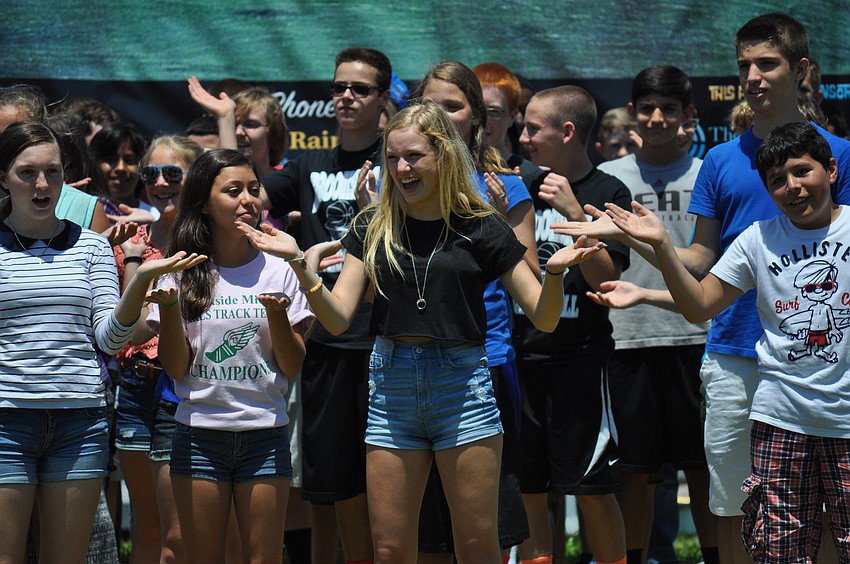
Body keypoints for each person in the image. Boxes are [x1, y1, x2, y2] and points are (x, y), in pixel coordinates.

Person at [236, 100, 604, 563]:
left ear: (443, 157)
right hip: (391, 386)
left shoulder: (481, 226)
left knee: (476, 546)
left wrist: (553, 274)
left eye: (413, 157)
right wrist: (300, 266)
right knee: (389, 549)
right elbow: (337, 317)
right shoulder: (372, 225)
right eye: (392, 159)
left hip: (463, 386)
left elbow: (544, 317)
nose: (401, 169)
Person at [556, 13, 850, 561]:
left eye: (768, 63)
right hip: (735, 353)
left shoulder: (839, 155)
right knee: (738, 508)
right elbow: (699, 260)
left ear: (803, 70)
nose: (754, 77)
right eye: (744, 67)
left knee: (832, 515)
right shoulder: (720, 159)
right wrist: (631, 234)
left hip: (823, 364)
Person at [599, 121, 850, 562]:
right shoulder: (757, 240)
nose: (792, 187)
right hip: (781, 421)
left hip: (845, 421)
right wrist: (660, 245)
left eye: (802, 172)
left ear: (830, 170)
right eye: (777, 180)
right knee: (781, 549)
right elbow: (699, 306)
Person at [0, 121, 203, 564]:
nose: (42, 184)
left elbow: (110, 339)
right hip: (6, 421)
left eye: (53, 172)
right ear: (3, 178)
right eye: (27, 172)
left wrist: (140, 278)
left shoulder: (91, 247)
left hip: (80, 422)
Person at [146, 148, 313, 563]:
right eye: (233, 190)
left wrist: (277, 315)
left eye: (253, 189)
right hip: (199, 434)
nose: (247, 200)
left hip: (265, 432)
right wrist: (167, 309)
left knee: (263, 558)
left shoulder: (281, 266)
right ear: (204, 202)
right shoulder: (181, 270)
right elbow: (175, 367)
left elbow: (292, 365)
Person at [262, 46, 394, 564]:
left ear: (383, 97)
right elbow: (236, 193)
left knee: (382, 483)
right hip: (322, 341)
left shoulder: (400, 159)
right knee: (327, 486)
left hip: (384, 336)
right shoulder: (306, 163)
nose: (345, 97)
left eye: (359, 89)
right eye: (339, 87)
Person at [413, 60, 538, 559]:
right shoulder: (396, 184)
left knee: (482, 520)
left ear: (476, 118)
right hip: (411, 365)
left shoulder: (503, 186)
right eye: (429, 106)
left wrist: (500, 221)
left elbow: (528, 283)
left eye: (453, 106)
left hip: (484, 361)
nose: (440, 117)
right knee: (424, 524)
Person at [595, 65, 717, 564]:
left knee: (702, 466)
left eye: (670, 108)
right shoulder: (608, 180)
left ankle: (716, 554)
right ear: (632, 115)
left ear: (689, 115)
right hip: (627, 336)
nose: (658, 118)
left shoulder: (710, 171)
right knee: (634, 469)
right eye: (648, 108)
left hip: (700, 336)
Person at [515, 85, 630, 564]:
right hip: (522, 359)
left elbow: (609, 279)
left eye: (532, 128)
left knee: (592, 488)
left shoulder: (609, 192)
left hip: (581, 362)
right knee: (529, 490)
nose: (522, 138)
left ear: (566, 132)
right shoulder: (518, 188)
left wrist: (576, 215)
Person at [114, 135, 205, 564]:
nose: (161, 183)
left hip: (182, 389)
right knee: (145, 529)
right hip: (134, 389)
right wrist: (133, 261)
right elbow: (119, 327)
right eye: (151, 174)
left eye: (173, 173)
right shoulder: (128, 241)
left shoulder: (210, 243)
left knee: (180, 537)